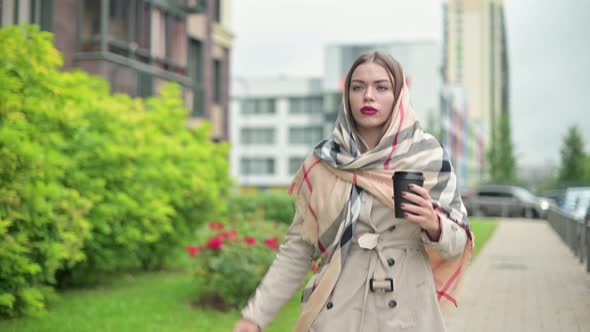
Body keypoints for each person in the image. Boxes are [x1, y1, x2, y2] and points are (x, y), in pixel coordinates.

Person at [233, 51, 473, 332]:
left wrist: (434, 225)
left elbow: (458, 242)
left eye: (381, 87)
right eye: (358, 87)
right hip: (337, 311)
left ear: (398, 95)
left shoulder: (427, 155)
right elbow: (298, 248)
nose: (368, 96)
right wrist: (255, 317)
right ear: (347, 95)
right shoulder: (324, 162)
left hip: (409, 314)